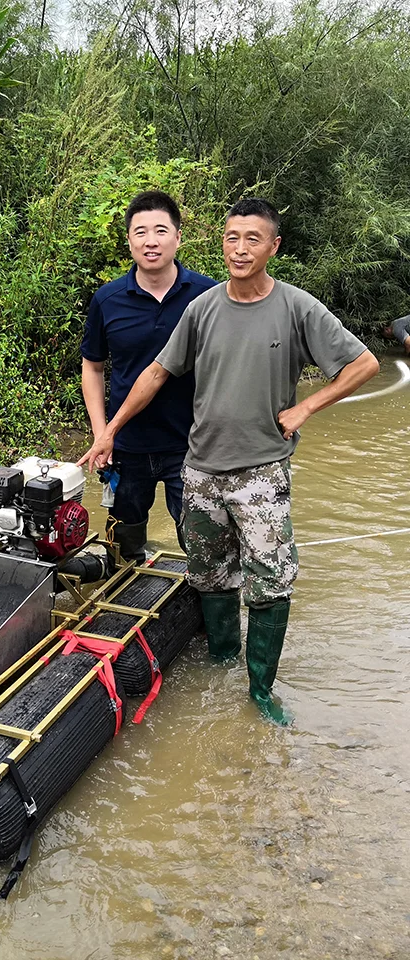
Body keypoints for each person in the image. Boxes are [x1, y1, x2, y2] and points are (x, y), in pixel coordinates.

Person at [79, 198, 379, 725]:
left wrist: (305, 406)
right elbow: (155, 374)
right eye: (232, 237)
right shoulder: (203, 307)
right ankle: (222, 660)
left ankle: (260, 690)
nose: (240, 250)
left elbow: (364, 363)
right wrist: (109, 433)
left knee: (271, 580)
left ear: (273, 247)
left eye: (253, 239)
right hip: (199, 471)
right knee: (211, 576)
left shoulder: (296, 307)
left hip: (261, 471)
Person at [81, 190, 216, 563]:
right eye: (140, 232)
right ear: (129, 241)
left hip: (191, 443)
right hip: (127, 446)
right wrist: (101, 433)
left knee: (201, 540)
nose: (150, 241)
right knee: (123, 543)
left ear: (178, 237)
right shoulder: (108, 299)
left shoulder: (208, 295)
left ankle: (203, 613)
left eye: (160, 230)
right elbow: (93, 366)